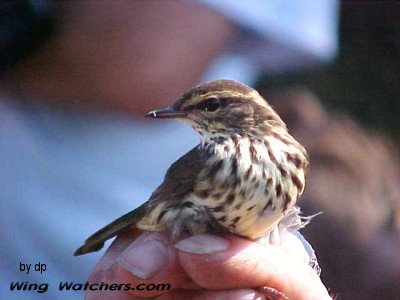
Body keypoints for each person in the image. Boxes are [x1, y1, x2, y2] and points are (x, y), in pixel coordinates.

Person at [0, 1, 338, 299]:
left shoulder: (293, 159)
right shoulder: (207, 161)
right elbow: (156, 211)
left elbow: (145, 70)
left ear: (246, 113)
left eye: (209, 107)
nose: (181, 115)